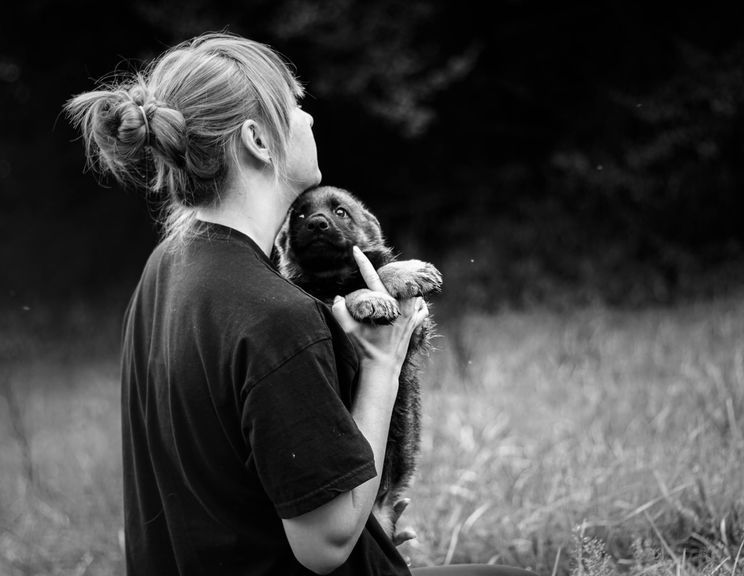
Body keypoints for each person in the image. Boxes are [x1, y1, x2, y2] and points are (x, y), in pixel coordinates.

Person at [66, 31, 538, 576]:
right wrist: (382, 363)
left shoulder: (165, 270)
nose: (309, 120)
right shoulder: (276, 316)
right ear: (258, 142)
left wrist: (372, 526)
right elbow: (327, 542)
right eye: (295, 107)